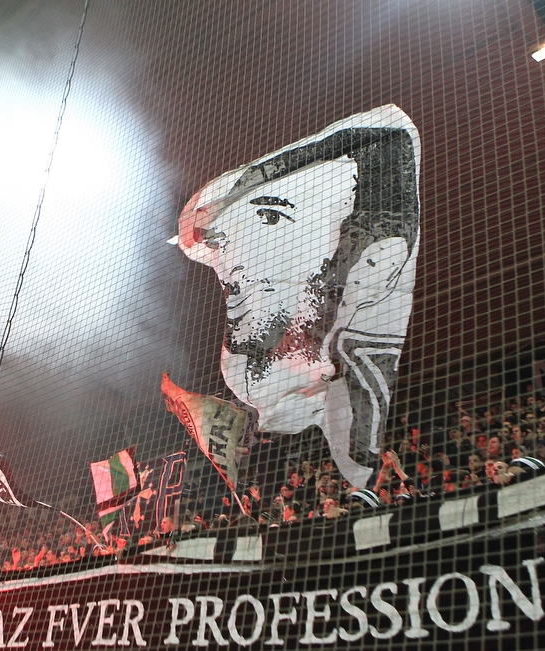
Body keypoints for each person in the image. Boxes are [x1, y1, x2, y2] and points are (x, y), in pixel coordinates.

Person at [177, 104, 421, 489]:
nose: (233, 273)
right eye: (225, 244)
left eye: (273, 222)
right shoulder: (263, 376)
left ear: (370, 263)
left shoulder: (251, 372)